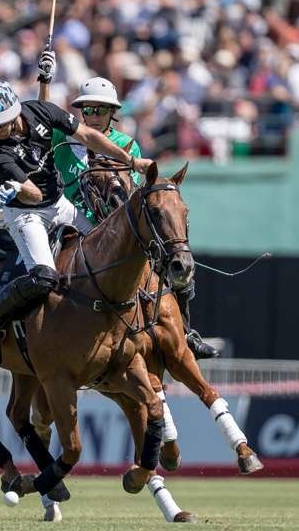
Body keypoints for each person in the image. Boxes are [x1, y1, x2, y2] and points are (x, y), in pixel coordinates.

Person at [0, 51, 154, 367]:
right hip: (26, 212)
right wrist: (17, 187)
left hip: (59, 204)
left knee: (107, 248)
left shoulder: (40, 112)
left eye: (0, 123)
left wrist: (132, 161)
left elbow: (88, 136)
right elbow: (30, 193)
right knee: (43, 278)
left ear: (15, 111)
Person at [52, 77, 220, 359]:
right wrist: (46, 80)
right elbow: (43, 112)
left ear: (112, 113)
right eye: (88, 110)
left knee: (175, 266)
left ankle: (186, 333)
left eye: (100, 110)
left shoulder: (126, 144)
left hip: (113, 228)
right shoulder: (63, 139)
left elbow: (130, 191)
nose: (93, 117)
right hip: (70, 221)